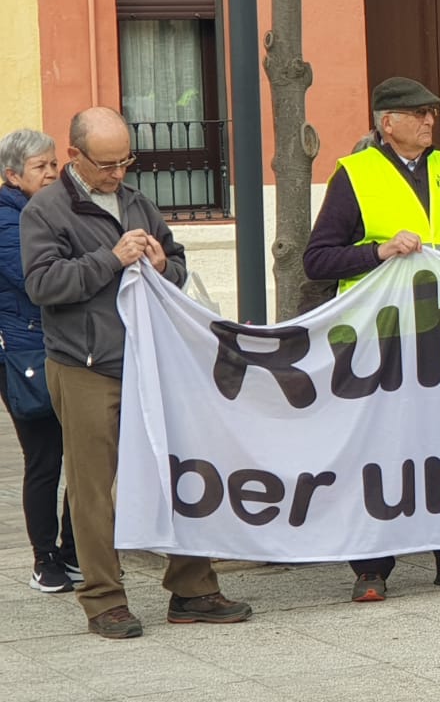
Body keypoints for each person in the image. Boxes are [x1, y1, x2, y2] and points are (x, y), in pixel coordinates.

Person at [21, 107, 252, 638]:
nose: (118, 173)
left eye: (126, 160)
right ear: (74, 155)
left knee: (179, 471)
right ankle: (104, 599)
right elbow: (44, 285)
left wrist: (164, 262)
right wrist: (111, 258)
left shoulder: (136, 201)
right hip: (85, 366)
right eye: (106, 164)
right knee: (93, 489)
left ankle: (192, 587)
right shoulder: (47, 210)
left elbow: (177, 259)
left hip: (150, 361)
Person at [303, 77, 440, 601]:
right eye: (418, 114)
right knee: (381, 448)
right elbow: (318, 258)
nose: (430, 122)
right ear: (386, 122)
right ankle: (371, 567)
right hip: (381, 339)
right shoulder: (356, 174)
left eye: (432, 114)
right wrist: (378, 252)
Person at [0, 129, 76, 594]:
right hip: (24, 354)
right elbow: (36, 278)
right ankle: (45, 558)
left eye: (54, 164)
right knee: (45, 460)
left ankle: (74, 552)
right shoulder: (9, 222)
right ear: (12, 175)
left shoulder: (51, 210)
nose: (52, 173)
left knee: (85, 458)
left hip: (66, 347)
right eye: (41, 167)